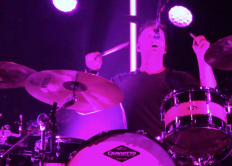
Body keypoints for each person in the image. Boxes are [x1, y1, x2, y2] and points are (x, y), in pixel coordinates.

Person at [85, 20, 217, 138]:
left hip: (174, 151)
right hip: (136, 151)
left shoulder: (181, 78)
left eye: (158, 37)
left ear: (165, 49)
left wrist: (202, 55)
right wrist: (92, 71)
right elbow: (87, 105)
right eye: (149, 36)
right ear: (138, 47)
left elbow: (211, 100)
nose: (154, 39)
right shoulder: (123, 81)